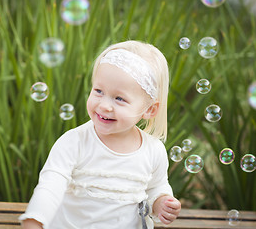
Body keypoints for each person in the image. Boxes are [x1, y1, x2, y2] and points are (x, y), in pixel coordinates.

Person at [19, 40, 181, 229]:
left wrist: (161, 202)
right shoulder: (74, 142)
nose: (104, 105)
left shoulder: (153, 150)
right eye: (98, 91)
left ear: (149, 110)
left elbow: (156, 187)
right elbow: (51, 186)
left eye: (119, 98)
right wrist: (35, 219)